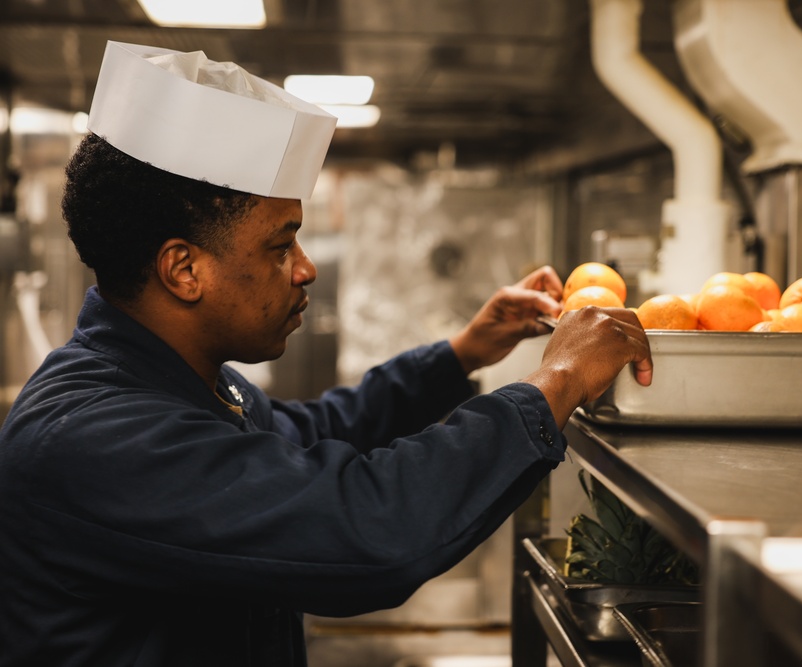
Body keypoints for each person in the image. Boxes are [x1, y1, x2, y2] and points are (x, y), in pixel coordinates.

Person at [0, 43, 652, 667]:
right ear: (184, 269)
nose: (305, 268)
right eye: (280, 246)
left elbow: (323, 431)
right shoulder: (95, 439)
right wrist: (556, 382)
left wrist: (460, 355)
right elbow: (367, 528)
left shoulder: (185, 388)